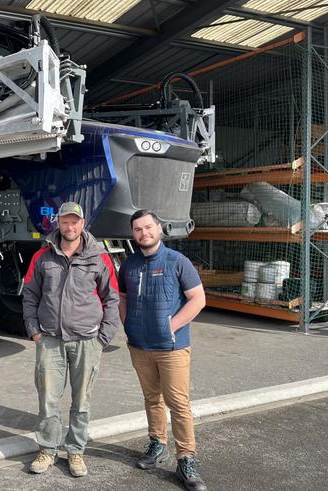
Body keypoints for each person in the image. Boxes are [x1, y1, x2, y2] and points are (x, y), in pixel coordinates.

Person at [22, 201, 120, 478]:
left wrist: (104, 336)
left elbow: (111, 297)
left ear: (82, 223)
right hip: (50, 339)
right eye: (65, 221)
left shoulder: (99, 258)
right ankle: (48, 449)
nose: (70, 226)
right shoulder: (43, 257)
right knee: (48, 400)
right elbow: (30, 294)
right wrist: (34, 330)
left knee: (81, 400)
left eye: (75, 221)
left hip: (87, 340)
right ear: (58, 223)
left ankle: (75, 451)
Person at [118, 209, 207, 491]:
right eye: (137, 230)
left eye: (148, 227)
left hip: (171, 348)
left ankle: (186, 460)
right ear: (133, 234)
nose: (143, 233)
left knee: (178, 404)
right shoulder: (129, 265)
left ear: (159, 228)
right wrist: (127, 323)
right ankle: (157, 444)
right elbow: (121, 297)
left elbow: (198, 299)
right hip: (139, 346)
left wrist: (173, 326)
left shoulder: (177, 261)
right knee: (151, 398)